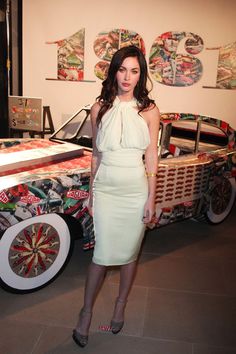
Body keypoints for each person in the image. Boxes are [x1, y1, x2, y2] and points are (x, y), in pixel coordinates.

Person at [72, 45, 160, 347]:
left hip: (135, 190)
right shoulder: (100, 108)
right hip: (107, 188)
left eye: (134, 71)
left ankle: (120, 304)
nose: (127, 76)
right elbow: (95, 155)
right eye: (122, 69)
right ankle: (86, 313)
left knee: (129, 254)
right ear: (114, 70)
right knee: (100, 256)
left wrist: (150, 198)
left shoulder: (149, 110)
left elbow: (151, 156)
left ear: (141, 74)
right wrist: (92, 193)